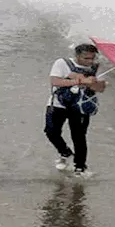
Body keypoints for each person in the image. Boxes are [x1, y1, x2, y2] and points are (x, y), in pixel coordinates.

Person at [45, 43, 106, 177]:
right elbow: (55, 81)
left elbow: (101, 88)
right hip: (58, 103)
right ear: (77, 56)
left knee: (79, 136)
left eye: (92, 58)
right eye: (86, 58)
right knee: (51, 131)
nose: (90, 61)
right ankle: (65, 152)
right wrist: (79, 81)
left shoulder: (97, 68)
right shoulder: (62, 63)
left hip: (81, 107)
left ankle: (80, 167)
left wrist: (93, 83)